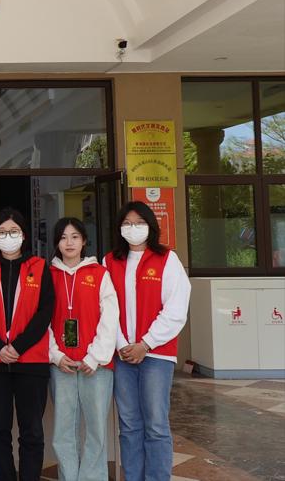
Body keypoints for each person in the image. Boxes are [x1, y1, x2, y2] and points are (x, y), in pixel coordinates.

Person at [105, 201, 190, 481]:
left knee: (155, 424)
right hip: (122, 355)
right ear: (119, 228)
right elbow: (106, 309)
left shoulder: (167, 259)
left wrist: (146, 343)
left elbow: (176, 309)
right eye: (127, 223)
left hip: (157, 355)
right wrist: (121, 344)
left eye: (139, 223)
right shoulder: (110, 261)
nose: (133, 228)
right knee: (129, 425)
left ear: (150, 226)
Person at [0, 207, 55, 481]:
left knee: (32, 432)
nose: (8, 236)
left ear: (24, 235)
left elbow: (45, 312)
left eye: (14, 231)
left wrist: (18, 347)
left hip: (31, 361)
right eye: (2, 231)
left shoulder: (39, 267)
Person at [48, 217, 119, 481]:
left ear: (84, 241)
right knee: (63, 430)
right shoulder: (48, 275)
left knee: (96, 429)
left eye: (75, 236)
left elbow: (110, 317)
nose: (69, 242)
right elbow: (41, 320)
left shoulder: (99, 274)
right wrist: (55, 355)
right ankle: (68, 477)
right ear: (56, 242)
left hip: (95, 366)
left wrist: (95, 356)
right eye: (63, 237)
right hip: (61, 365)